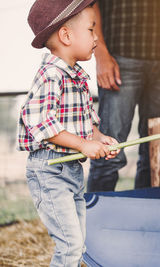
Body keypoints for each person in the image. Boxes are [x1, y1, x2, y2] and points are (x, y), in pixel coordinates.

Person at [19, 0, 120, 265]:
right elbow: (40, 121)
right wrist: (82, 145)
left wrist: (98, 138)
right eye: (91, 29)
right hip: (49, 172)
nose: (97, 37)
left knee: (77, 243)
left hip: (71, 171)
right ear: (66, 35)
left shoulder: (76, 76)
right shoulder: (51, 74)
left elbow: (85, 121)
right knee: (70, 245)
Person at [87, 1, 160, 191]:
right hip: (120, 55)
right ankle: (98, 218)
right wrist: (100, 53)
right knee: (107, 147)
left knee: (159, 151)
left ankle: (150, 217)